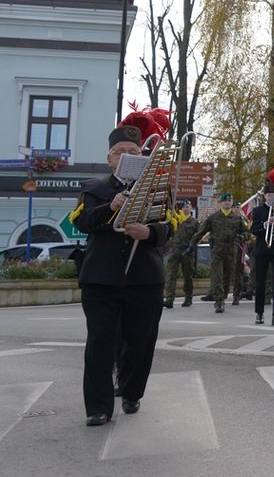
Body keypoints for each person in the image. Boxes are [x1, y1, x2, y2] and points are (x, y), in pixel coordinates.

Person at [72, 116, 172, 426]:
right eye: (120, 152)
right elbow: (79, 220)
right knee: (100, 343)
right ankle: (99, 407)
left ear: (142, 156)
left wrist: (150, 233)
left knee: (140, 341)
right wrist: (110, 208)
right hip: (101, 278)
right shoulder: (94, 187)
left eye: (133, 150)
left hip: (145, 278)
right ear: (110, 159)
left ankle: (131, 392)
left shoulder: (160, 188)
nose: (126, 156)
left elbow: (172, 227)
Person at [190, 192, 247, 312]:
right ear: (221, 203)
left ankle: (223, 295)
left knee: (227, 277)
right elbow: (201, 231)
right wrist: (192, 244)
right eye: (225, 200)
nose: (228, 202)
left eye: (230, 200)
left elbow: (247, 233)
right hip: (217, 250)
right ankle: (219, 301)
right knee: (217, 276)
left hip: (231, 250)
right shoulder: (213, 217)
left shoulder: (237, 218)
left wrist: (241, 237)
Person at [250, 169, 274, 326]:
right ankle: (259, 313)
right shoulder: (258, 210)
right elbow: (253, 230)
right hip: (262, 250)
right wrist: (266, 224)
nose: (273, 197)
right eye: (270, 195)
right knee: (261, 282)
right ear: (265, 196)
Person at [164, 200, 198, 308]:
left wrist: (191, 245)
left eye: (188, 206)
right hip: (174, 250)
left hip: (187, 252)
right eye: (184, 207)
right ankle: (169, 299)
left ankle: (188, 297)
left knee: (187, 276)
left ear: (191, 208)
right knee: (170, 275)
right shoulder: (176, 219)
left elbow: (198, 236)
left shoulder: (194, 222)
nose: (186, 208)